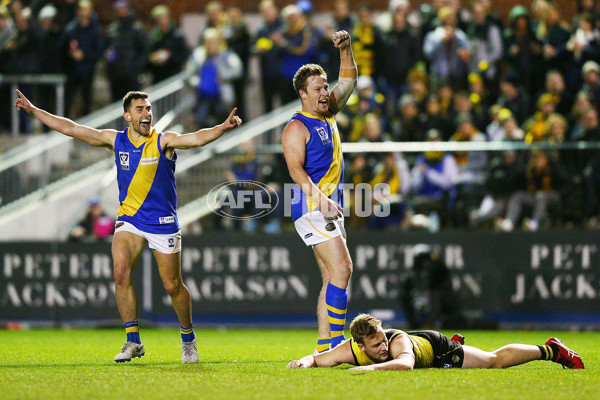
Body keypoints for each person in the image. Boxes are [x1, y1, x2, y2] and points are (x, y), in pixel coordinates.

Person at [15, 89, 242, 363]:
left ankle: (188, 338)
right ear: (127, 115)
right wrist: (34, 111)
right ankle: (133, 340)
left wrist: (223, 128)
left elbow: (195, 138)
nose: (146, 113)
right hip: (130, 219)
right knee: (121, 272)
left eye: (148, 108)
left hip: (162, 221)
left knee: (172, 286)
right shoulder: (116, 140)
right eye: (140, 109)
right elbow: (72, 128)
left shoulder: (163, 140)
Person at [282, 30, 357, 353]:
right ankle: (339, 343)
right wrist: (321, 199)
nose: (325, 92)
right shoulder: (296, 127)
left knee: (330, 275)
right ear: (303, 94)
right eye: (318, 88)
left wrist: (346, 49)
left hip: (325, 206)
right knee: (343, 268)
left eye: (326, 86)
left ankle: (325, 346)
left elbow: (349, 82)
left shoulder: (328, 111)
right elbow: (295, 171)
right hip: (311, 207)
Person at [288, 313, 584, 370]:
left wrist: (369, 369)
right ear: (360, 346)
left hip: (437, 349)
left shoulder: (396, 341)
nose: (382, 347)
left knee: (494, 361)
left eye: (382, 339)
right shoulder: (350, 350)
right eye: (375, 345)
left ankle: (551, 350)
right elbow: (317, 358)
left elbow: (404, 363)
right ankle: (460, 342)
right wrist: (302, 362)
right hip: (423, 346)